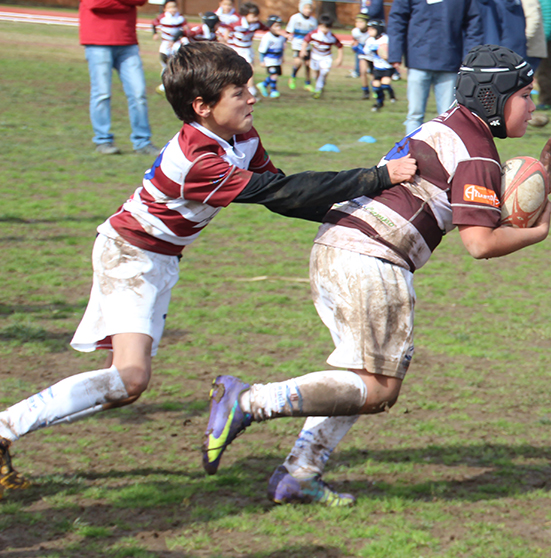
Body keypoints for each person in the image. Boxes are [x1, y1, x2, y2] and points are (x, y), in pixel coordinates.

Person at [0, 42, 416, 497]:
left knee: (125, 383)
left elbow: (280, 190)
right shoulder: (199, 160)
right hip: (129, 256)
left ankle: (7, 429)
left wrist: (350, 219)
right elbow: (280, 194)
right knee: (130, 378)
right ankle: (5, 427)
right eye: (238, 92)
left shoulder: (241, 138)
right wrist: (377, 177)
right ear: (202, 106)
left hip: (158, 258)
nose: (251, 98)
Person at [200, 45, 551, 506]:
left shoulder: (447, 123)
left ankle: (300, 472)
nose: (533, 106)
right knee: (378, 389)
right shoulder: (478, 153)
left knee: (356, 377)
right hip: (372, 261)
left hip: (340, 246)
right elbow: (480, 244)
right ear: (494, 98)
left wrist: (528, 191)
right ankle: (248, 402)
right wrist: (537, 229)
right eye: (526, 95)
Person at [388, 0, 483, 135]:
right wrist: (395, 54)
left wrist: (470, 58)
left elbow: (474, 25)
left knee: (448, 117)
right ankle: (412, 154)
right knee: (415, 115)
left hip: (449, 61)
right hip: (419, 60)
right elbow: (397, 19)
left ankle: (447, 154)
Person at [79, 0, 157, 156]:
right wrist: (127, 4)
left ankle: (142, 142)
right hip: (98, 41)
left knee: (138, 93)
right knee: (101, 94)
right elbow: (95, 3)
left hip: (127, 41)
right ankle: (102, 140)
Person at [227, 2, 263, 99]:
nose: (256, 18)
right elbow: (227, 30)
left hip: (247, 49)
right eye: (253, 16)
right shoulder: (237, 23)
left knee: (248, 70)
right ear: (245, 15)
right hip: (238, 49)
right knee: (247, 69)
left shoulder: (256, 24)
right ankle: (250, 91)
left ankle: (248, 91)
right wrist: (226, 41)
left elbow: (266, 28)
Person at [301, 15, 343, 99]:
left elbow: (340, 46)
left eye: (326, 28)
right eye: (322, 27)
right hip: (315, 56)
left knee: (324, 72)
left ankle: (317, 91)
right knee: (316, 74)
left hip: (326, 57)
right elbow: (305, 41)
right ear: (319, 26)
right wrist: (303, 50)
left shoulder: (331, 37)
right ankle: (320, 85)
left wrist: (339, 58)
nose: (324, 30)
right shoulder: (314, 34)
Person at [152, 0, 186, 94]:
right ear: (165, 9)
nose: (172, 9)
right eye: (170, 7)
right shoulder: (162, 17)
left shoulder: (180, 18)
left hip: (176, 42)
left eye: (174, 7)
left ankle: (178, 81)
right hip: (166, 42)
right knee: (163, 58)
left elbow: (183, 30)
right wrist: (154, 34)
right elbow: (153, 24)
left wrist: (175, 40)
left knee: (178, 60)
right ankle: (165, 80)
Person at [360, 19, 395, 109]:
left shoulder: (386, 39)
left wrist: (386, 55)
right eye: (368, 29)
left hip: (387, 67)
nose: (369, 32)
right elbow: (366, 52)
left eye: (372, 29)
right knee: (376, 86)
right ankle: (379, 103)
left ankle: (391, 95)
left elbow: (391, 50)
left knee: (385, 84)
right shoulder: (369, 41)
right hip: (377, 67)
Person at [286, 1, 317, 91]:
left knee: (308, 64)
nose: (308, 10)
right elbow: (289, 31)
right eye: (306, 8)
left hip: (307, 45)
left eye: (310, 8)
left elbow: (315, 34)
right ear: (301, 8)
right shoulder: (295, 18)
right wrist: (287, 39)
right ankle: (293, 77)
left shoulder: (313, 20)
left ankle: (307, 83)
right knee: (298, 62)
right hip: (297, 44)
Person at [258, 15, 287, 98]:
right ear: (270, 27)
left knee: (276, 74)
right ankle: (273, 90)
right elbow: (262, 50)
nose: (278, 28)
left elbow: (281, 49)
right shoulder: (267, 37)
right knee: (274, 75)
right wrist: (262, 61)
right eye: (276, 26)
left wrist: (282, 57)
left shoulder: (281, 38)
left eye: (279, 26)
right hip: (269, 60)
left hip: (277, 60)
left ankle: (263, 84)